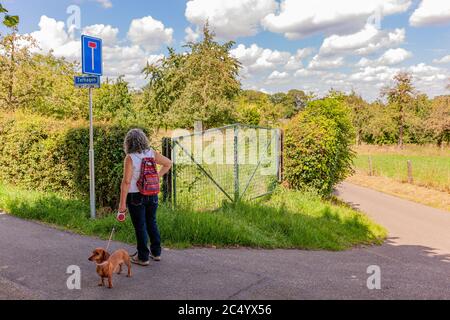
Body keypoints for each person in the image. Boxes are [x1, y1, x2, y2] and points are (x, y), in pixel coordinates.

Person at [118, 129, 172, 266]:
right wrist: (155, 178)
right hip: (152, 193)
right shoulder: (151, 153)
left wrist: (122, 205)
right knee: (151, 222)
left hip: (136, 196)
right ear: (143, 140)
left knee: (140, 226)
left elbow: (126, 182)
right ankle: (156, 252)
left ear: (128, 143)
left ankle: (143, 257)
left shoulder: (130, 158)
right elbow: (168, 163)